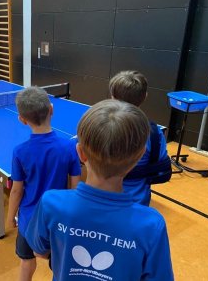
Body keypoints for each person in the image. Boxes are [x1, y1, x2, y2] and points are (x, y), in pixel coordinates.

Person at [25, 99, 174, 281]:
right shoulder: (152, 225)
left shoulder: (51, 203)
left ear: (80, 153)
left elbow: (38, 251)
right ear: (139, 157)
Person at [6, 87, 81, 281]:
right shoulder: (69, 147)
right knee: (59, 264)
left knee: (26, 261)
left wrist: (9, 218)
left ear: (22, 119)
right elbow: (75, 188)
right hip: (58, 220)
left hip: (28, 221)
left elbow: (16, 191)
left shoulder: (20, 152)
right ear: (52, 109)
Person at [109, 70, 169, 206]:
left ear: (112, 97)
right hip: (138, 200)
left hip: (104, 198)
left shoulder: (100, 125)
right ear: (145, 96)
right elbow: (162, 166)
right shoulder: (154, 132)